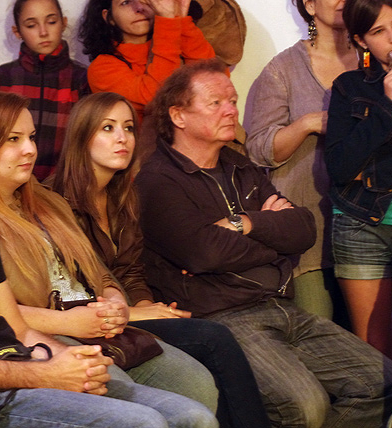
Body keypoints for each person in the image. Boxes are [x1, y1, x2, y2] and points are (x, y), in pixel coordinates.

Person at [0, 62, 218, 428]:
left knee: (193, 417)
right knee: (143, 424)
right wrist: (44, 373)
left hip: (16, 369)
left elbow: (17, 328)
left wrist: (68, 360)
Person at [137, 58, 392, 427]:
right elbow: (204, 252)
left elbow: (302, 230)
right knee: (305, 406)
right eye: (216, 103)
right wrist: (272, 233)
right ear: (178, 116)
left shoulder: (238, 165)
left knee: (382, 382)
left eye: (232, 100)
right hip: (224, 315)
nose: (231, 110)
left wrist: (245, 223)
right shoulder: (158, 180)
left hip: (279, 303)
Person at [0, 90, 220, 415]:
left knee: (198, 383)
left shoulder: (48, 200)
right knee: (164, 411)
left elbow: (102, 272)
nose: (29, 149)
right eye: (13, 139)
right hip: (46, 332)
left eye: (31, 137)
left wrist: (115, 303)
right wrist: (68, 322)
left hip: (97, 324)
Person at [51, 91, 270, 428]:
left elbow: (131, 270)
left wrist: (147, 306)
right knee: (213, 338)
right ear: (82, 136)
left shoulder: (123, 196)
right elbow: (68, 287)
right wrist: (136, 312)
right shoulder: (54, 201)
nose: (122, 138)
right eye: (108, 128)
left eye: (128, 128)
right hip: (83, 321)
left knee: (208, 337)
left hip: (123, 312)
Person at [244, 0, 364, 321]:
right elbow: (257, 149)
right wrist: (309, 123)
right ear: (310, 4)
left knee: (372, 343)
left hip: (368, 226)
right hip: (309, 232)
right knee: (321, 333)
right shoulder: (282, 69)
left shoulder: (374, 61)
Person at [325, 0, 392, 357]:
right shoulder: (348, 87)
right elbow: (340, 167)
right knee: (374, 350)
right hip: (361, 223)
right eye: (379, 31)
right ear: (361, 40)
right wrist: (388, 107)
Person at [79, 0, 216, 157]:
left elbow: (215, 81)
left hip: (194, 156)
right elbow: (154, 98)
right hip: (140, 165)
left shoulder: (170, 38)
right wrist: (168, 25)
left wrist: (180, 21)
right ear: (108, 16)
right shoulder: (102, 68)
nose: (139, 8)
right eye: (126, 2)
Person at [0, 0, 90, 180]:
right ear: (17, 31)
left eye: (51, 22)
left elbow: (88, 144)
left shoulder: (82, 78)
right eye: (31, 25)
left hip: (65, 188)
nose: (43, 32)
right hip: (5, 186)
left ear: (64, 23)